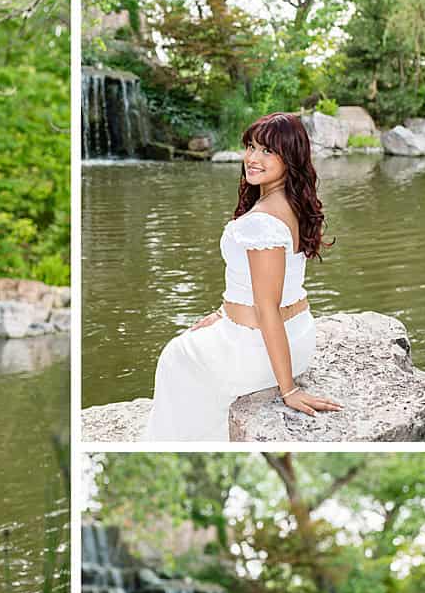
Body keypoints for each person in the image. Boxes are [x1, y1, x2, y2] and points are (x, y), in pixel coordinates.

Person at [145, 113, 342, 441]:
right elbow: (268, 286)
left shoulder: (261, 221)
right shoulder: (295, 204)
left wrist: (288, 389)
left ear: (289, 157)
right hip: (299, 333)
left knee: (175, 356)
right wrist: (224, 313)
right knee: (191, 348)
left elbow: (268, 308)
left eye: (267, 151)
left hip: (262, 348)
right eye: (251, 147)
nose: (252, 158)